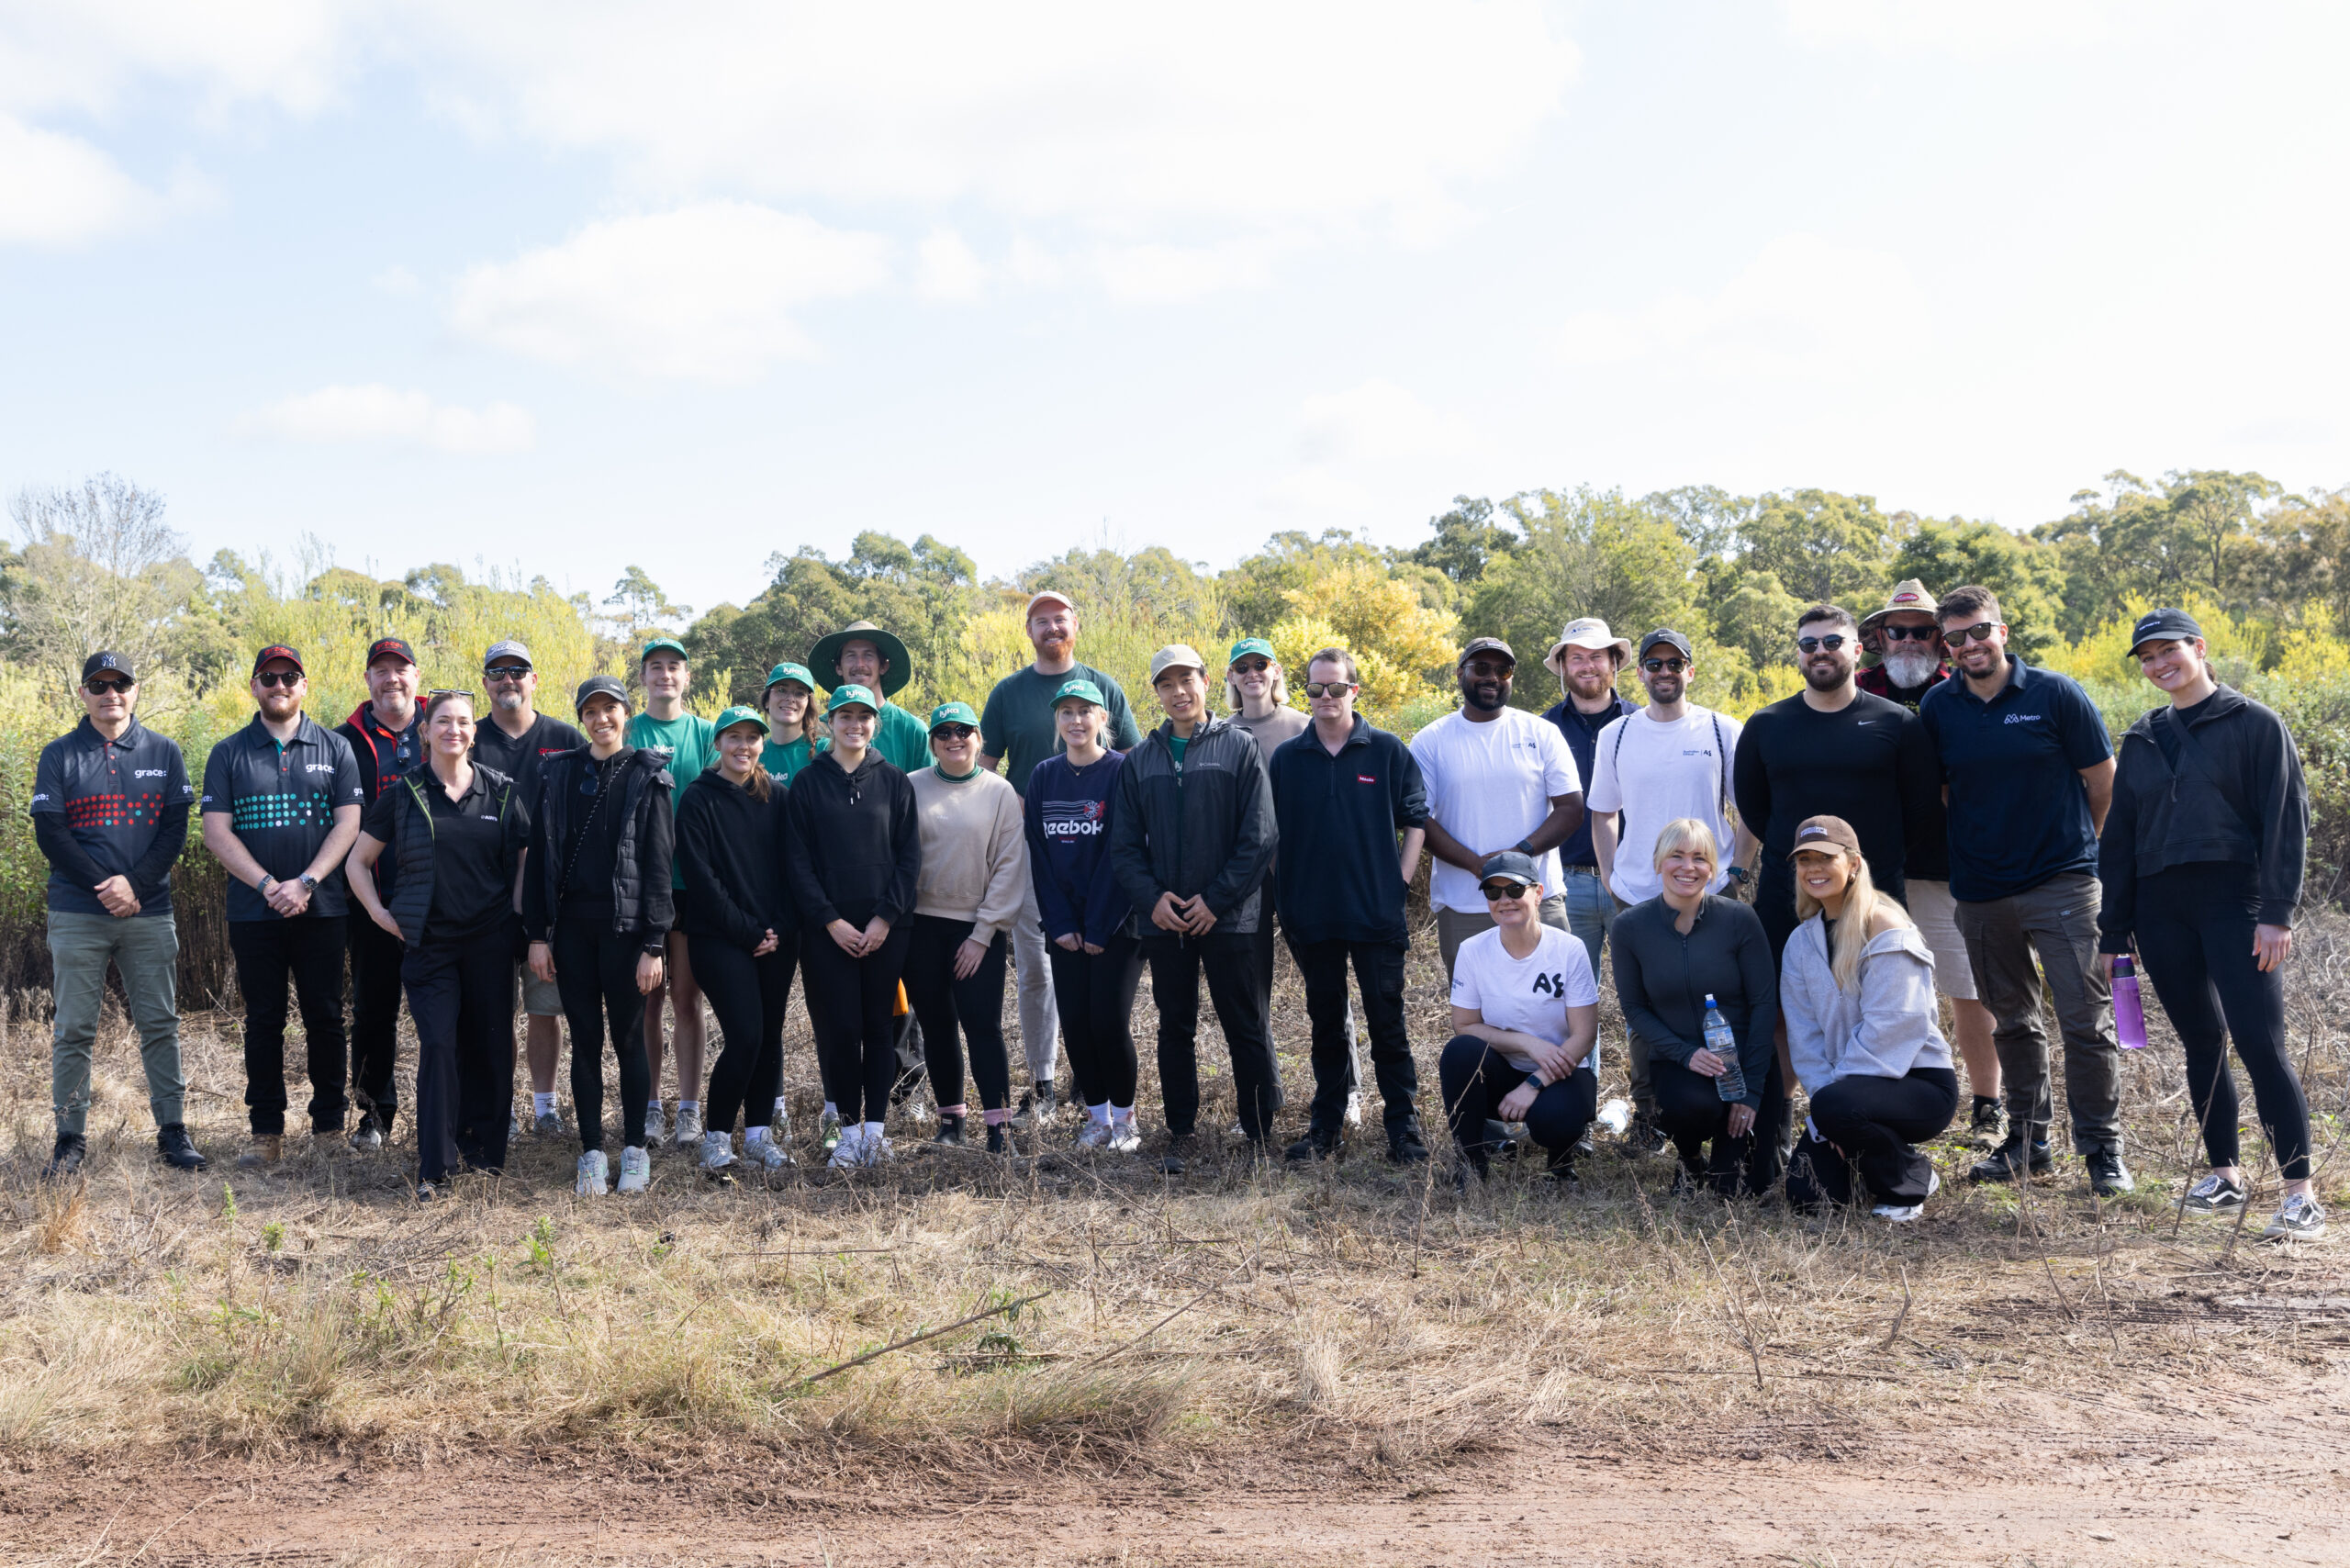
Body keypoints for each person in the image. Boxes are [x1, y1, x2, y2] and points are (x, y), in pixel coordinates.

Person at [2101, 609, 2322, 1241]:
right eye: (2146, 657)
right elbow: (2119, 837)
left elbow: (2286, 820)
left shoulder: (2255, 724)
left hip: (2237, 901)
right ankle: (2224, 1175)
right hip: (2160, 907)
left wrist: (2278, 913)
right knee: (2202, 1040)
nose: (2158, 664)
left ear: (2198, 648)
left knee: (2260, 1043)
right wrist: (2115, 928)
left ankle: (2299, 1193)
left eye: (2168, 650)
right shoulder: (2142, 736)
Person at [1919, 586, 2128, 1195]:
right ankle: (2028, 1142)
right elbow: (1942, 790)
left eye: (1979, 631)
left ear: (2002, 631)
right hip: (1980, 892)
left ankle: (2101, 1151)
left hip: (2062, 883)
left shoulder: (2056, 694)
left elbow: (2103, 780)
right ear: (1947, 647)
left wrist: (2080, 850)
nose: (1970, 645)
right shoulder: (1939, 707)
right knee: (2012, 1021)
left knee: (2086, 1021)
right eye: (1955, 638)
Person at [346, 689, 532, 1202]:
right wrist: (381, 915)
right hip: (429, 947)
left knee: (491, 1046)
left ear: (475, 732)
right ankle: (435, 1167)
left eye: (464, 722)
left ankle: (485, 1154)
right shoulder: (403, 793)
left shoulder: (501, 791)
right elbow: (357, 862)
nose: (454, 729)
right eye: (443, 721)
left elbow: (522, 859)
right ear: (424, 731)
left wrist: (516, 916)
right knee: (440, 1046)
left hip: (490, 943)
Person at [32, 652, 205, 1177]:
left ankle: (172, 1132)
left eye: (121, 683)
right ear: (82, 693)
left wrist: (135, 884)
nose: (112, 693)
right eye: (99, 684)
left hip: (148, 911)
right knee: (74, 1029)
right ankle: (69, 1139)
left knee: (160, 1023)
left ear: (135, 690)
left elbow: (174, 830)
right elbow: (51, 833)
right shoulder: (59, 755)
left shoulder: (164, 751)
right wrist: (105, 888)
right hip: (77, 911)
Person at [979, 589, 1145, 1128]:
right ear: (1028, 630)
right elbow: (987, 768)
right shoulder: (1016, 711)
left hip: (1108, 891)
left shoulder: (1115, 732)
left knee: (1105, 1011)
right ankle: (1069, 1099)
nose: (1076, 720)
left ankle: (1116, 1110)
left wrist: (1100, 919)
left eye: (1060, 620)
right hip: (1050, 885)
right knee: (1055, 992)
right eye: (1040, 621)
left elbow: (1130, 820)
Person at [1112, 644, 1279, 1172]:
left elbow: (1260, 835)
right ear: (1156, 693)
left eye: (1187, 680)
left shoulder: (1239, 747)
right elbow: (1123, 846)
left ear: (1207, 682)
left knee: (1243, 1021)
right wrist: (1151, 899)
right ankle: (1181, 1130)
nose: (1179, 692)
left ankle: (1257, 1132)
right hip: (1166, 919)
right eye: (1167, 684)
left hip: (1229, 917)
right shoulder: (1141, 759)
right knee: (1174, 1025)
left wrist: (1218, 899)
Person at [1587, 629, 1755, 1156]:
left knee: (1727, 999)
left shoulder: (1723, 730)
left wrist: (1739, 873)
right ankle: (1651, 1113)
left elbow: (1749, 810)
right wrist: (1612, 873)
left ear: (1690, 670)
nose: (1664, 672)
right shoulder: (1614, 735)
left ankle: (1735, 1105)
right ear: (1638, 672)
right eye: (1653, 664)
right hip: (1637, 894)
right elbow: (1602, 812)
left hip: (1714, 887)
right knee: (1648, 1007)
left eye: (1674, 663)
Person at [200, 645, 365, 1169]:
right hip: (254, 912)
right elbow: (215, 832)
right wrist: (270, 884)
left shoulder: (336, 747)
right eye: (268, 677)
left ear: (304, 685)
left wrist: (308, 882)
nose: (279, 685)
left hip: (323, 908)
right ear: (254, 687)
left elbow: (349, 823)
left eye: (289, 676)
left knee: (326, 1016)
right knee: (263, 1020)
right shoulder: (228, 753)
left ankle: (328, 1128)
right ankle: (265, 1131)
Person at [1268, 647, 1431, 1165]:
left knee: (1388, 1023)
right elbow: (1270, 835)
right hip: (1312, 917)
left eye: (1336, 688)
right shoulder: (1288, 759)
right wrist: (1286, 892)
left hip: (1375, 915)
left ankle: (1403, 1130)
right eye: (1315, 689)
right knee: (1325, 1024)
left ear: (1354, 691)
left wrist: (1398, 884)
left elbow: (1415, 820)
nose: (1325, 698)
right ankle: (1327, 1128)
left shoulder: (1385, 750)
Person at [1857, 580, 2003, 1148]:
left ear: (1942, 641)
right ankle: (1868, 1093)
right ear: (1878, 638)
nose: (1911, 640)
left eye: (1924, 631)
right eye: (1899, 630)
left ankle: (1988, 1103)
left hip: (1948, 867)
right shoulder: (1855, 688)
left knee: (1968, 989)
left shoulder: (1960, 691)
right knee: (1869, 990)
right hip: (1871, 873)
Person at [523, 675, 675, 1196]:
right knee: (585, 1041)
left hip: (628, 932)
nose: (601, 719)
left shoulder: (647, 774)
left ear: (626, 714)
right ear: (581, 718)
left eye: (610, 709)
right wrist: (538, 935)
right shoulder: (559, 773)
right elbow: (541, 858)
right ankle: (591, 1150)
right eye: (591, 711)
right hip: (571, 931)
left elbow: (658, 864)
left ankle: (634, 1149)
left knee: (629, 1038)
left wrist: (655, 943)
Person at [1779, 815, 1958, 1221]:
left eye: (1825, 858)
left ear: (1854, 863)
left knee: (1840, 1110)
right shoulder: (1800, 942)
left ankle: (1910, 1181)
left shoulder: (1887, 927)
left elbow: (1894, 1029)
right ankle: (1867, 1158)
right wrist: (1830, 1109)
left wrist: (1834, 1108)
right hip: (1845, 1094)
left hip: (1918, 1085)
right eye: (1804, 860)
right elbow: (1803, 1038)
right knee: (1809, 1197)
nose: (1814, 869)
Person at [1229, 634, 1366, 1127]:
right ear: (1230, 677)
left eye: (1261, 664)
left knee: (1326, 988)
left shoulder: (1305, 725)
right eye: (1242, 666)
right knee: (1251, 991)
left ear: (1277, 672)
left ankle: (1347, 1089)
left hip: (1301, 874)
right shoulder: (1222, 732)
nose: (1252, 673)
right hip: (1244, 882)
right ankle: (1266, 1093)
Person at [784, 684, 922, 1170]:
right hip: (827, 934)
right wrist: (831, 922)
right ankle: (845, 1133)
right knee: (841, 1032)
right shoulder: (807, 783)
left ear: (874, 724)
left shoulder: (895, 781)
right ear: (829, 723)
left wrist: (885, 918)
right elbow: (797, 863)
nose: (854, 725)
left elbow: (910, 859)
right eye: (845, 716)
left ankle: (876, 1132)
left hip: (887, 931)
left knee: (880, 1029)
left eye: (864, 716)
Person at [1609, 821, 1778, 1197]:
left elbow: (1765, 1004)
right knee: (1692, 1108)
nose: (1689, 867)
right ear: (1657, 863)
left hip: (1745, 1061)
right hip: (1679, 1062)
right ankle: (1689, 1158)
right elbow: (1635, 1010)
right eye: (1677, 856)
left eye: (1700, 858)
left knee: (1738, 1191)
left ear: (1713, 868)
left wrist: (1749, 1092)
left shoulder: (1739, 919)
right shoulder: (1629, 927)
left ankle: (1731, 1156)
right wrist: (1686, 1054)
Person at [1411, 637, 1585, 978]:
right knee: (1477, 1015)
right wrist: (1478, 866)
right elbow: (1419, 819)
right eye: (1482, 668)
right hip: (1464, 904)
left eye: (1503, 669)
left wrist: (1517, 857)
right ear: (1460, 673)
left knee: (1556, 1009)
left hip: (1537, 899)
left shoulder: (1542, 733)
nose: (1492, 677)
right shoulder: (1431, 740)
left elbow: (1571, 808)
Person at [675, 706, 800, 1178]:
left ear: (762, 745)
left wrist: (780, 930)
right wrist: (749, 931)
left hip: (777, 938)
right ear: (718, 743)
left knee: (769, 1037)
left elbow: (795, 870)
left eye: (752, 738)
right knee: (745, 1034)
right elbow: (701, 879)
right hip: (719, 937)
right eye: (733, 737)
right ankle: (716, 1138)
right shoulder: (698, 799)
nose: (742, 746)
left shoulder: (779, 798)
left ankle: (759, 1136)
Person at [470, 639, 587, 1139]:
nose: (508, 680)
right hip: (485, 902)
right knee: (495, 1013)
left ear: (534, 679)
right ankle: (502, 1107)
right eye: (497, 672)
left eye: (518, 670)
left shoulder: (564, 737)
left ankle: (545, 1107)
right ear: (485, 684)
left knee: (545, 1008)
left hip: (549, 902)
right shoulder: (468, 738)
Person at [1025, 679, 1144, 1159]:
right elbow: (1039, 853)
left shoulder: (1122, 771)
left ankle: (1126, 1119)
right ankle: (1097, 1118)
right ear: (1057, 721)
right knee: (1075, 1021)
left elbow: (1124, 852)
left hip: (1116, 925)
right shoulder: (1043, 776)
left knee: (1109, 1021)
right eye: (1066, 712)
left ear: (1102, 719)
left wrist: (1097, 926)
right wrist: (1060, 924)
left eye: (1085, 712)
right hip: (1064, 928)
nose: (1076, 720)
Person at [905, 701, 1030, 1148]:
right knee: (937, 1025)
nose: (954, 739)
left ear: (979, 738)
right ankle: (951, 1122)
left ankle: (998, 1127)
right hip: (920, 926)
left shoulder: (998, 791)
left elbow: (1009, 864)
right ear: (932, 743)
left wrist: (982, 934)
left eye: (964, 731)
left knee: (982, 1025)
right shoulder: (911, 786)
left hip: (975, 930)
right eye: (944, 733)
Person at [1438, 852, 1601, 1185]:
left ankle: (1560, 1160)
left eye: (1515, 890)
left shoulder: (1569, 950)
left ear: (1538, 893)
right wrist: (1528, 1044)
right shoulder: (1472, 950)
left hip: (1561, 1073)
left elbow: (1584, 1037)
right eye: (1493, 892)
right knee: (1460, 1052)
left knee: (1555, 1121)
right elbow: (1464, 1025)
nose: (1504, 900)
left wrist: (1534, 1083)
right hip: (1503, 1070)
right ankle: (1471, 1163)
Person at [625, 636, 715, 1149]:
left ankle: (688, 1108)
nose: (665, 675)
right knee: (646, 1000)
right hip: (640, 886)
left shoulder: (705, 732)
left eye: (674, 667)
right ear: (643, 677)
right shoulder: (628, 729)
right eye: (655, 666)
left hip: (690, 882)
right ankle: (650, 1106)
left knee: (687, 998)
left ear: (686, 677)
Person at [336, 635, 423, 1150]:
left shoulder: (450, 725)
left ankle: (456, 1109)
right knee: (373, 1011)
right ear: (367, 679)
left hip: (441, 899)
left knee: (451, 1009)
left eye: (401, 668)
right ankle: (374, 1115)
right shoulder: (343, 740)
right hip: (371, 898)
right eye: (381, 669)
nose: (392, 678)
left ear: (416, 675)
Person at [1539, 618, 1639, 979]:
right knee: (1572, 995)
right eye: (1577, 657)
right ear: (1563, 667)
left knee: (1647, 987)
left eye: (1596, 656)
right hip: (1567, 882)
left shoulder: (1642, 724)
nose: (1587, 665)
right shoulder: (1543, 730)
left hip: (1636, 878)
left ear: (1614, 663)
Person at [810, 621, 933, 770]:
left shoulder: (912, 730)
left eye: (868, 656)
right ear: (838, 667)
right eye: (851, 656)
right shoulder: (819, 731)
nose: (860, 664)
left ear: (883, 666)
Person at [758, 662, 827, 783]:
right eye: (781, 690)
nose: (790, 698)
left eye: (800, 693)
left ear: (808, 705)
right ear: (767, 701)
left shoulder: (825, 750)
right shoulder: (754, 754)